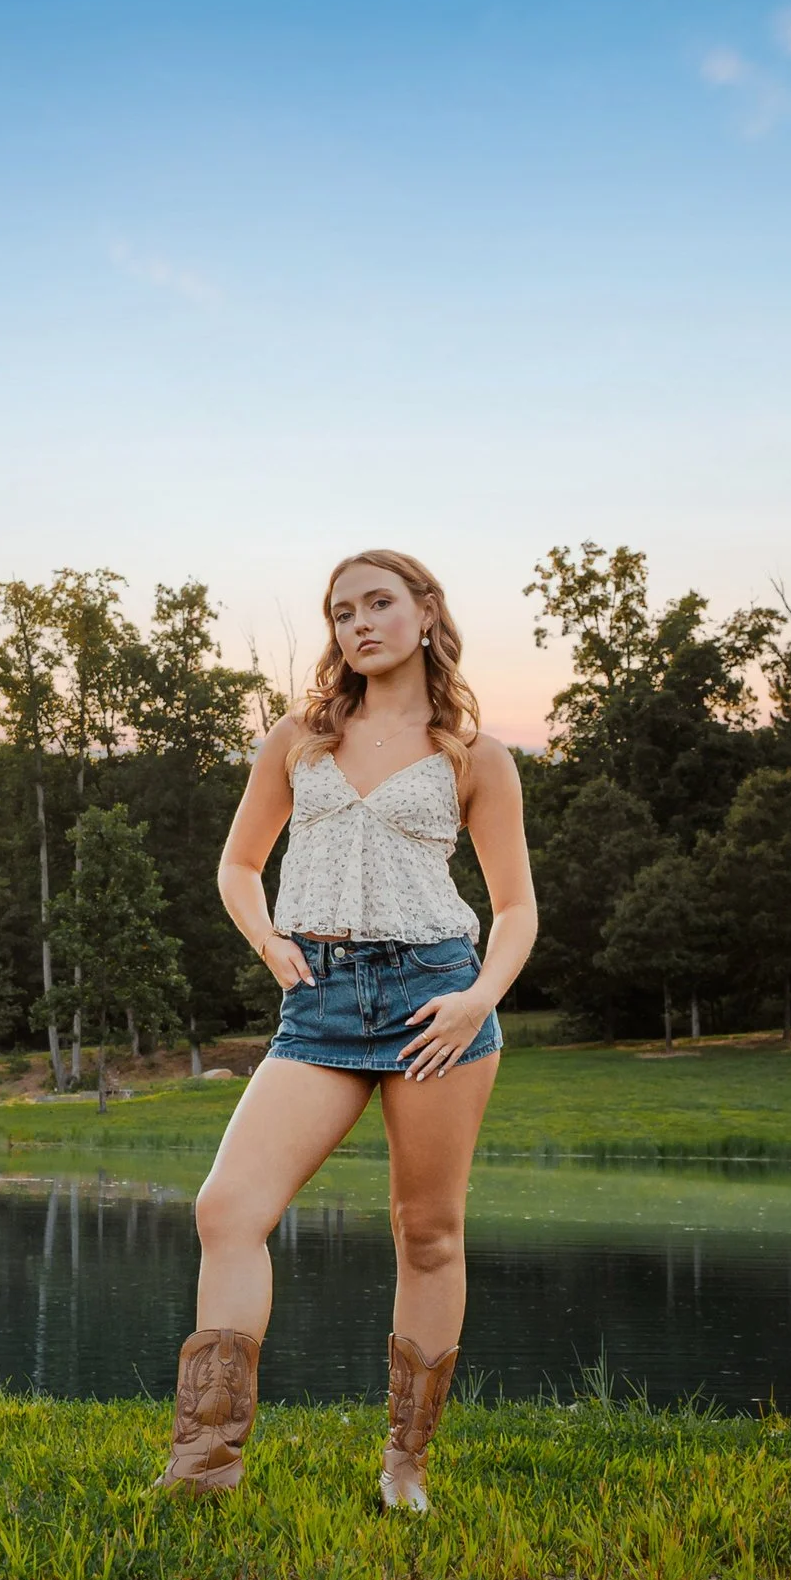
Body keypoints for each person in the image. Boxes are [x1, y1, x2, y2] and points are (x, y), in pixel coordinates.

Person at [156, 549, 536, 1513]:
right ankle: (206, 1460)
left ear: (424, 612)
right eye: (341, 612)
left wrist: (478, 997)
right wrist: (271, 943)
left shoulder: (475, 754)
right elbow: (240, 865)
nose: (359, 623)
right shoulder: (299, 736)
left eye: (378, 603)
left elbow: (517, 906)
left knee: (429, 1233)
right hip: (319, 1002)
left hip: (434, 1000)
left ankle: (404, 1465)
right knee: (227, 1208)